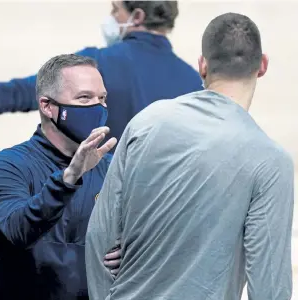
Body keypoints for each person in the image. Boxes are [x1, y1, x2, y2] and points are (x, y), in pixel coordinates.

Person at [85, 12, 295, 300]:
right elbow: (269, 284)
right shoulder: (271, 162)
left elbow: (100, 236)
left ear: (203, 66)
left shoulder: (146, 122)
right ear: (262, 65)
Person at [0, 54, 121, 300]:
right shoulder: (9, 165)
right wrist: (68, 179)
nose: (98, 107)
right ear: (47, 106)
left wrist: (133, 250)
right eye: (85, 98)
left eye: (102, 98)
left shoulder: (111, 168)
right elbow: (20, 231)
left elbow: (140, 233)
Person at [0, 1, 203, 152]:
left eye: (115, 9)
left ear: (137, 16)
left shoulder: (95, 64)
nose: (111, 17)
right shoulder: (196, 84)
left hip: (100, 209)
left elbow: (21, 92)